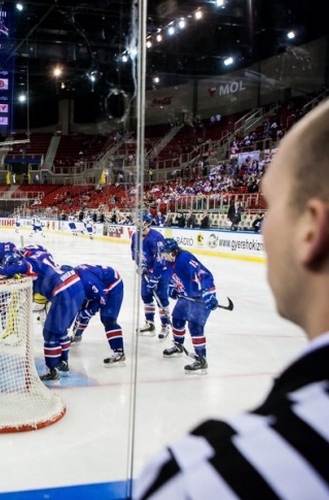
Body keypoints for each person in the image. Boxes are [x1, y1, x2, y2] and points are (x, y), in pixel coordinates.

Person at [135, 97, 329, 499]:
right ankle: (178, 343)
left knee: (192, 321)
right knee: (179, 319)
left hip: (200, 298)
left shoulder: (200, 477)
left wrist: (203, 295)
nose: (263, 229)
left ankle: (199, 355)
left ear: (311, 231)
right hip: (189, 297)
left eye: (271, 208)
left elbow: (201, 278)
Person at [0, 249, 84, 382]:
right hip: (77, 286)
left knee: (49, 333)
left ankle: (52, 370)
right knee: (61, 331)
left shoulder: (25, 263)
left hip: (63, 291)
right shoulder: (39, 255)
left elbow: (10, 270)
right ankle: (63, 362)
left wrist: (0, 270)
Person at [159, 238, 217, 373]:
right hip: (186, 296)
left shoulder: (185, 258)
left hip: (200, 296)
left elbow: (204, 275)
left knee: (195, 326)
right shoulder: (169, 261)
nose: (163, 256)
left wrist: (208, 293)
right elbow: (173, 277)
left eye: (165, 253)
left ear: (173, 252)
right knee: (177, 319)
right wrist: (172, 287)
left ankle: (201, 359)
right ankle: (178, 346)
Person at [66, 264, 126, 365]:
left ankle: (119, 352)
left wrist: (90, 311)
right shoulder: (76, 279)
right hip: (98, 287)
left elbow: (102, 299)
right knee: (82, 309)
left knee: (108, 319)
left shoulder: (88, 282)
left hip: (112, 286)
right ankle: (77, 335)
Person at [131, 212, 172, 339]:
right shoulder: (135, 236)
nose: (136, 222)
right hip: (147, 272)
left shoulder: (157, 237)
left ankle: (165, 325)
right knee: (146, 295)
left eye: (139, 220)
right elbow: (135, 253)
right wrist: (141, 265)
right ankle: (150, 324)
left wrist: (155, 278)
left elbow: (160, 259)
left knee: (162, 298)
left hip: (161, 272)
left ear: (146, 222)